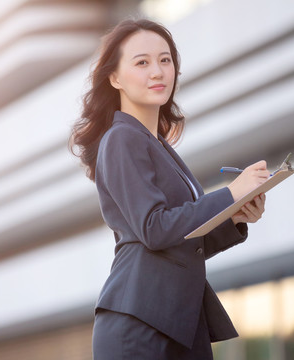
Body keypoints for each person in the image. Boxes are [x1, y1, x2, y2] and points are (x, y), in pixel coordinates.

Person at [69, 18, 269, 359]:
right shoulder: (121, 138)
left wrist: (234, 217)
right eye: (142, 62)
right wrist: (230, 193)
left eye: (165, 60)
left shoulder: (157, 146)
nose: (158, 71)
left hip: (175, 320)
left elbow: (183, 242)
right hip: (139, 324)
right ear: (114, 77)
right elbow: (155, 229)